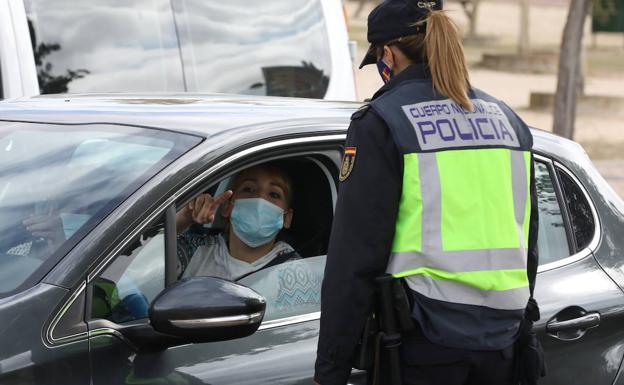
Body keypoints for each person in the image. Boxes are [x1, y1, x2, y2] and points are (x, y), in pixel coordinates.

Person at [314, 1, 540, 385]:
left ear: (388, 53)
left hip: (425, 343)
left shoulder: (383, 122)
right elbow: (528, 243)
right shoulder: (508, 120)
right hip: (503, 341)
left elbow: (354, 259)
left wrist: (330, 369)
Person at [176, 162, 300, 281]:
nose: (260, 199)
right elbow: (158, 254)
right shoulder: (195, 249)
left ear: (287, 218)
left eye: (273, 194)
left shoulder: (296, 274)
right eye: (249, 189)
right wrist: (184, 217)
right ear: (227, 207)